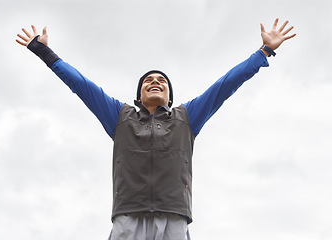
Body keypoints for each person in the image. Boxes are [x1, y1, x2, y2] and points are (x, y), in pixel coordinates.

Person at [16, 18, 296, 240]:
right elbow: (80, 84)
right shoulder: (119, 115)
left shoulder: (187, 117)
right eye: (148, 80)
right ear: (139, 95)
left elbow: (225, 85)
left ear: (170, 97)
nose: (155, 81)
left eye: (161, 80)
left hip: (173, 217)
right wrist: (43, 50)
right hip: (128, 217)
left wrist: (264, 51)